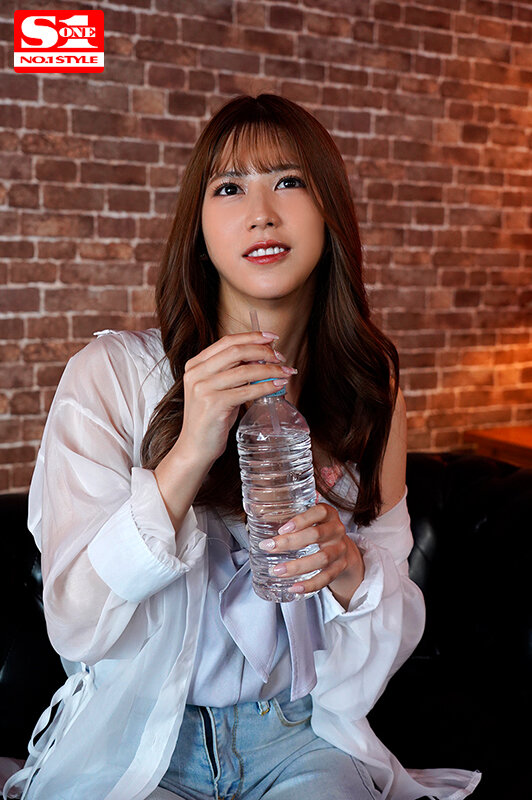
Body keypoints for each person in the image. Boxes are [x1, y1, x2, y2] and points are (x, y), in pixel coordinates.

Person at [3, 94, 480, 800]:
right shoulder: (112, 376)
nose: (261, 212)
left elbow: (387, 640)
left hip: (301, 738)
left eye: (289, 180)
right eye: (229, 188)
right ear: (199, 229)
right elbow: (75, 621)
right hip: (143, 747)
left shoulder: (368, 398)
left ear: (329, 211)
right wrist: (190, 449)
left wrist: (349, 569)